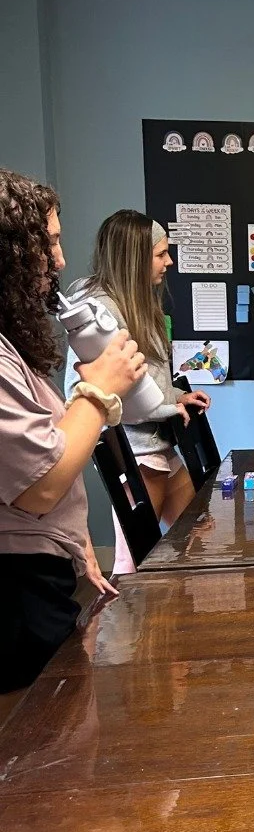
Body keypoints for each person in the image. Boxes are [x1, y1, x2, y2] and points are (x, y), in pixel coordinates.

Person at [0, 169, 147, 692]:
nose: (60, 261)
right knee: (43, 738)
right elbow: (39, 487)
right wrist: (100, 389)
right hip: (16, 588)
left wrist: (75, 536)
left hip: (41, 565)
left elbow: (41, 443)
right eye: (50, 244)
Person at [65, 210, 210, 574]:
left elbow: (144, 378)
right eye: (161, 254)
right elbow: (96, 391)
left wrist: (173, 397)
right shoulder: (99, 310)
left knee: (200, 538)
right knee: (133, 568)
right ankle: (118, 628)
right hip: (138, 452)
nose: (169, 262)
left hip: (157, 445)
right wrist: (163, 409)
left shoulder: (137, 300)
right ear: (134, 258)